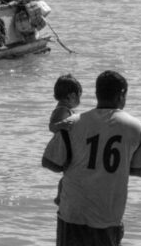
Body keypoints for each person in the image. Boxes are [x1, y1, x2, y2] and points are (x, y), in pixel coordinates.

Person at [42, 70, 141, 246]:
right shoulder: (136, 127)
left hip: (72, 214)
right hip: (108, 215)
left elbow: (49, 162)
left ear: (97, 93)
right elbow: (139, 169)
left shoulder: (72, 123)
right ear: (121, 94)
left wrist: (78, 164)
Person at [49, 74, 83, 205]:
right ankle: (60, 197)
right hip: (63, 148)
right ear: (72, 96)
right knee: (67, 175)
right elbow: (52, 127)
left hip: (66, 147)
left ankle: (61, 196)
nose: (80, 99)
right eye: (80, 95)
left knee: (67, 174)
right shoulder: (62, 110)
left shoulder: (65, 109)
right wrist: (61, 125)